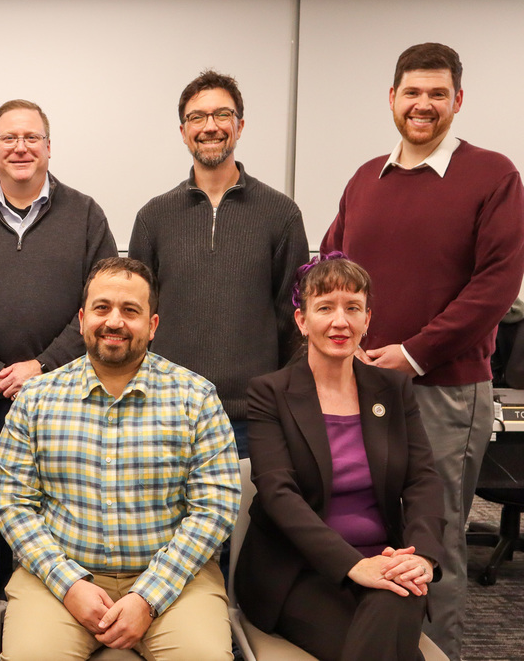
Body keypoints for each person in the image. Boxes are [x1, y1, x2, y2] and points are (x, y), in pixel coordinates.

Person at [321, 42, 524, 660]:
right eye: (412, 92)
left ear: (458, 101)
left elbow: (495, 286)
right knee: (370, 531)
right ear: (392, 99)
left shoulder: (493, 176)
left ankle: (438, 653)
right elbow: (331, 265)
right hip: (360, 388)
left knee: (433, 541)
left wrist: (411, 354)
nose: (424, 104)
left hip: (443, 392)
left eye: (438, 94)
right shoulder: (364, 178)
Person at [0, 257, 240, 661]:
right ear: (82, 318)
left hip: (175, 582)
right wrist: (69, 584)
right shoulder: (36, 399)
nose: (114, 322)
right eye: (102, 308)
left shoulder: (196, 398)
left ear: (153, 325)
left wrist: (148, 597)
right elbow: (12, 503)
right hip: (57, 578)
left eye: (131, 311)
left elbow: (214, 509)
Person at [236, 253, 445, 661]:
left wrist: (420, 554)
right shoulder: (270, 392)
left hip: (388, 559)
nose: (340, 321)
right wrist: (353, 565)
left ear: (367, 319)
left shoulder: (393, 389)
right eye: (325, 307)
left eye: (353, 308)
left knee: (395, 595)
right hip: (296, 571)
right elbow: (279, 495)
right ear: (302, 321)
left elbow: (423, 479)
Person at [0, 98, 117, 458]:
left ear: (48, 147)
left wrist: (43, 366)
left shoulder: (86, 215)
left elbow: (104, 305)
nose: (21, 148)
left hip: (68, 394)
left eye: (32, 137)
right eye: (9, 138)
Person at [129, 70, 309, 457]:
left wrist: (277, 400)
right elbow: (137, 318)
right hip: (167, 414)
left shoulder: (281, 214)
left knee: (249, 519)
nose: (210, 127)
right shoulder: (153, 218)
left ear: (239, 126)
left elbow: (295, 320)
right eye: (197, 117)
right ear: (183, 131)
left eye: (221, 115)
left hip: (253, 419)